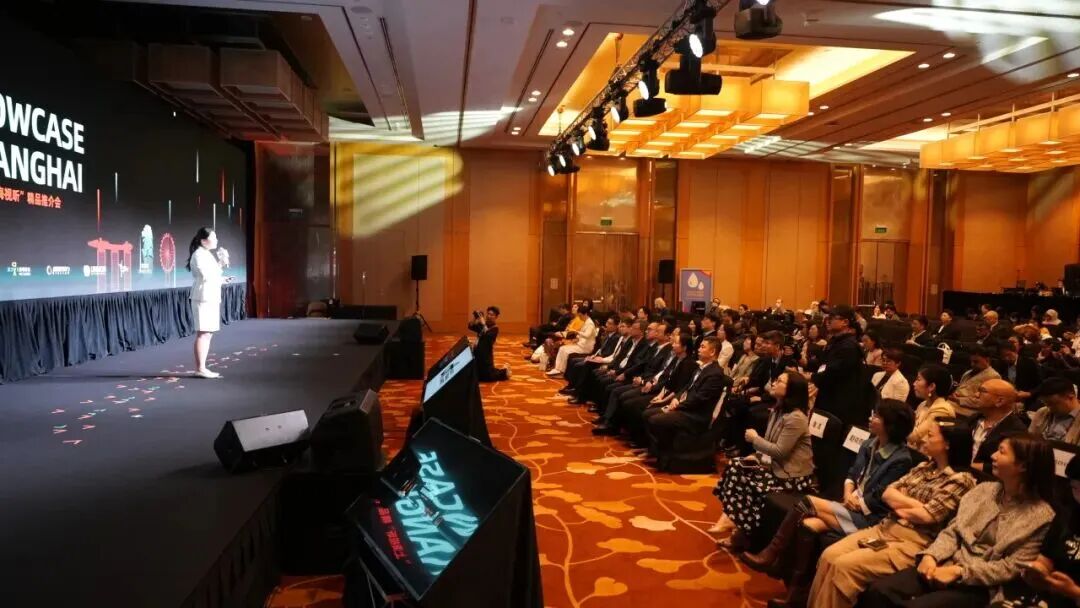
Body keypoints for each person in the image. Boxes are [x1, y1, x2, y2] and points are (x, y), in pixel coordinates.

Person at [742, 399, 916, 606]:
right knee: (808, 525)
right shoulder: (869, 444)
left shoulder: (901, 459)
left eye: (877, 416)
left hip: (870, 518)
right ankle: (795, 594)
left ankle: (772, 554)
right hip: (850, 505)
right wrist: (848, 493)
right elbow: (852, 473)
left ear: (891, 425)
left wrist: (857, 503)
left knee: (807, 502)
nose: (871, 419)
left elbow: (881, 497)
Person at [861, 434, 1057, 608]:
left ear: (1023, 466)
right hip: (943, 562)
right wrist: (931, 556)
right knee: (879, 591)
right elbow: (953, 531)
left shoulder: (1042, 516)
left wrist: (960, 572)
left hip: (979, 585)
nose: (993, 456)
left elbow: (1011, 567)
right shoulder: (983, 490)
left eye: (1002, 452)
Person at [806, 419, 978, 608]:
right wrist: (916, 506)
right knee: (829, 556)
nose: (923, 440)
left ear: (947, 444)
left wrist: (902, 503)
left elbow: (927, 516)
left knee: (844, 567)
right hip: (884, 528)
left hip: (913, 542)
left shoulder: (961, 480)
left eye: (930, 436)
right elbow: (887, 493)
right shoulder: (924, 467)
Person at [713, 372, 816, 552]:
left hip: (791, 476)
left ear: (791, 389)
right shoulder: (778, 410)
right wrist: (757, 456)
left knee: (749, 481)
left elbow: (780, 451)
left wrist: (755, 439)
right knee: (736, 465)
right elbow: (769, 445)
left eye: (779, 381)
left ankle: (738, 529)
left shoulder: (796, 418)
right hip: (774, 465)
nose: (774, 383)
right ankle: (734, 522)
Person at [645, 336, 729, 467]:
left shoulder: (715, 373)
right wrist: (675, 399)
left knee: (655, 419)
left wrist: (677, 407)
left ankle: (666, 456)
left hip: (696, 415)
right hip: (686, 407)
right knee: (648, 413)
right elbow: (686, 387)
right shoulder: (701, 367)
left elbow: (699, 399)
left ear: (712, 352)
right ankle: (660, 453)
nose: (698, 349)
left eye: (703, 347)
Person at [1013, 456, 1080, 608]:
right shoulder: (1067, 515)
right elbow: (1046, 558)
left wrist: (1074, 592)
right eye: (1075, 488)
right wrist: (1038, 571)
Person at [811, 305, 865, 426]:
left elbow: (832, 373)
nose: (827, 321)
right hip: (827, 396)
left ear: (845, 322)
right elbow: (823, 365)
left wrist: (812, 377)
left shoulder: (848, 347)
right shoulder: (835, 342)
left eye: (832, 318)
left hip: (838, 404)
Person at [187, 227, 226, 379]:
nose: (216, 240)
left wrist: (222, 268)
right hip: (202, 297)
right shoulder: (198, 254)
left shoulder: (207, 254)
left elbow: (213, 275)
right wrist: (220, 265)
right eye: (213, 238)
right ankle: (200, 368)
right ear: (204, 241)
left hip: (210, 296)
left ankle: (202, 367)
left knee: (208, 333)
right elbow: (206, 275)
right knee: (203, 333)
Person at [968, 379, 1027, 472]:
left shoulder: (1016, 430)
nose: (976, 395)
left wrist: (973, 466)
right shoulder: (974, 418)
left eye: (983, 391)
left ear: (999, 401)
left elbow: (1011, 467)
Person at [908, 363, 957, 451]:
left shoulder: (943, 409)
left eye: (918, 379)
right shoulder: (923, 404)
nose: (914, 383)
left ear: (931, 386)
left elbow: (915, 436)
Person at [547, 303, 598, 377]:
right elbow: (582, 335)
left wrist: (577, 332)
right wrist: (577, 337)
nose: (580, 317)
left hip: (585, 347)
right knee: (562, 349)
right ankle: (558, 369)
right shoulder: (586, 322)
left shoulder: (590, 323)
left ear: (585, 314)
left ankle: (561, 371)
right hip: (581, 345)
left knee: (565, 351)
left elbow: (587, 335)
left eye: (580, 316)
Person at [951, 345, 1002, 416]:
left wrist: (958, 399)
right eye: (971, 361)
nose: (972, 364)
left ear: (987, 360)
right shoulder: (968, 372)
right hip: (955, 402)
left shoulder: (994, 376)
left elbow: (984, 401)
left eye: (976, 362)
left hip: (972, 411)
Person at [1028, 377, 1080, 445]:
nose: (1049, 408)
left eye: (1053, 403)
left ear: (1070, 395)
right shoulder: (1042, 412)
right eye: (1046, 403)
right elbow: (1029, 441)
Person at [468, 306, 512, 382]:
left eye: (492, 315)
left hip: (486, 356)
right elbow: (471, 326)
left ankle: (505, 372)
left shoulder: (495, 328)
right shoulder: (483, 325)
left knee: (488, 377)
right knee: (478, 376)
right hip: (477, 353)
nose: (489, 316)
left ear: (496, 317)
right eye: (488, 314)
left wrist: (483, 323)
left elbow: (487, 335)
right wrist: (475, 317)